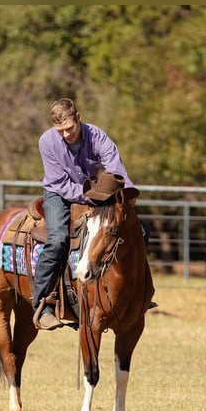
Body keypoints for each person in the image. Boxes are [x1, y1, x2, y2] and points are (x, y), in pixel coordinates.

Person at [32, 98, 136, 330]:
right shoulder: (47, 141)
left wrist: (125, 193)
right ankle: (41, 305)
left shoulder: (97, 136)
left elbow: (115, 168)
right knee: (58, 238)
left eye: (69, 128)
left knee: (136, 229)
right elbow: (60, 183)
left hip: (94, 190)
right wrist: (93, 197)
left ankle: (136, 294)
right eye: (61, 131)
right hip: (58, 193)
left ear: (79, 117)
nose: (66, 134)